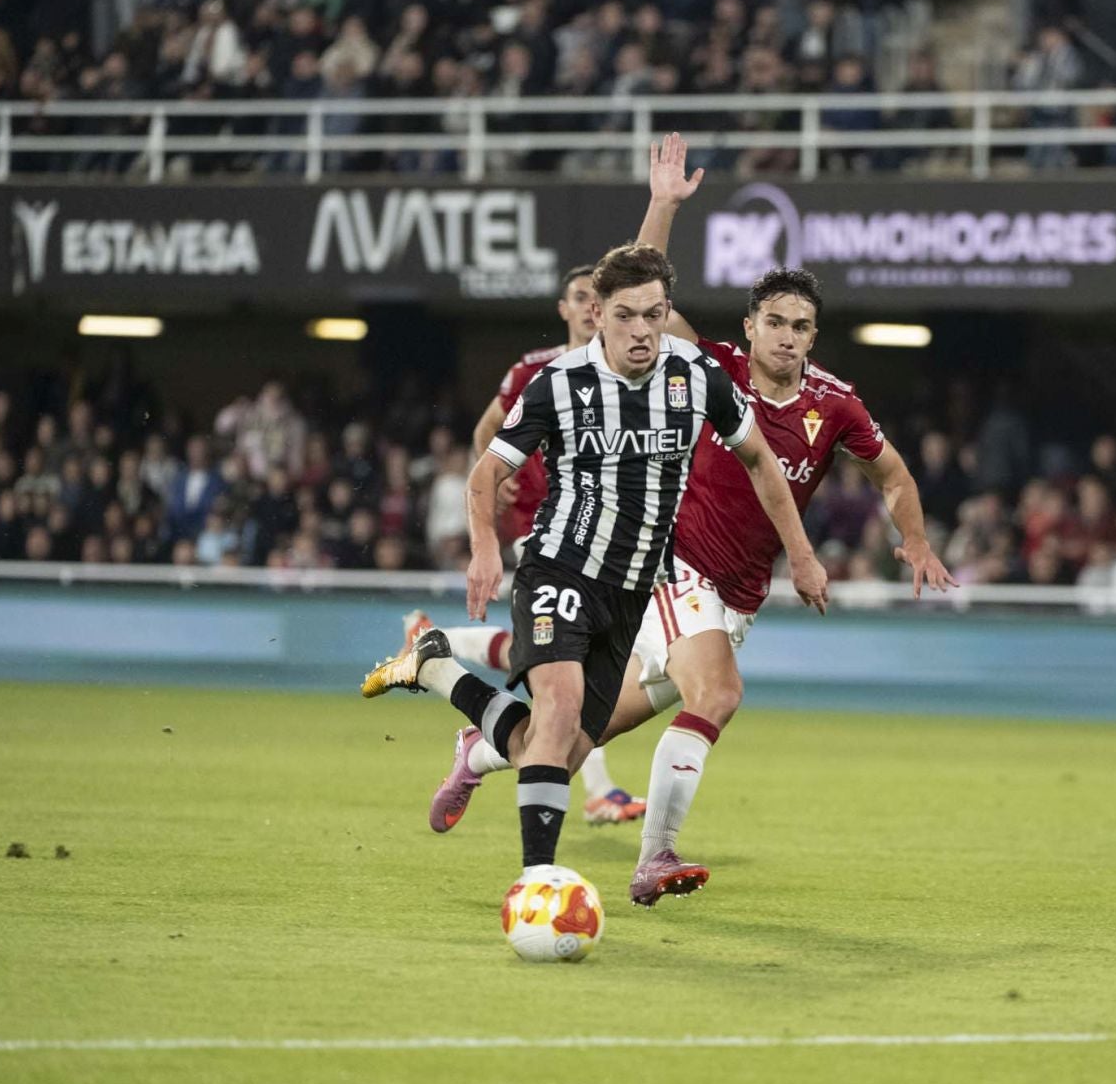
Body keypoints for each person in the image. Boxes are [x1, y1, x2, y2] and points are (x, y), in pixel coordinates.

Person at [378, 134, 954, 907]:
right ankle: (652, 859)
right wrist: (663, 205)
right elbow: (641, 294)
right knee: (716, 694)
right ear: (749, 326)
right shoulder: (704, 364)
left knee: (561, 743)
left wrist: (908, 537)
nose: (786, 336)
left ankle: (464, 721)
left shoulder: (834, 404)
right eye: (774, 321)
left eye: (800, 326)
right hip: (672, 572)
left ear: (814, 336)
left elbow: (891, 474)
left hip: (733, 597)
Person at [360, 240, 831, 903]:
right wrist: (485, 548)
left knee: (552, 747)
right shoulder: (559, 383)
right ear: (598, 314)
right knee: (558, 711)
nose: (641, 331)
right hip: (559, 568)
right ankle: (537, 884)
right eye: (625, 315)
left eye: (654, 315)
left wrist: (801, 554)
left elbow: (759, 460)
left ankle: (438, 669)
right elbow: (486, 472)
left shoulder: (697, 376)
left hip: (634, 590)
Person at [401, 262, 651, 824]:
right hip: (544, 529)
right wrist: (497, 482)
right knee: (566, 669)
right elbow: (485, 432)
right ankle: (596, 793)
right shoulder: (535, 371)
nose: (588, 307)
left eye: (595, 296)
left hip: (609, 539)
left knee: (556, 667)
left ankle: (440, 654)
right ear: (566, 309)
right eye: (579, 297)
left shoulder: (638, 373)